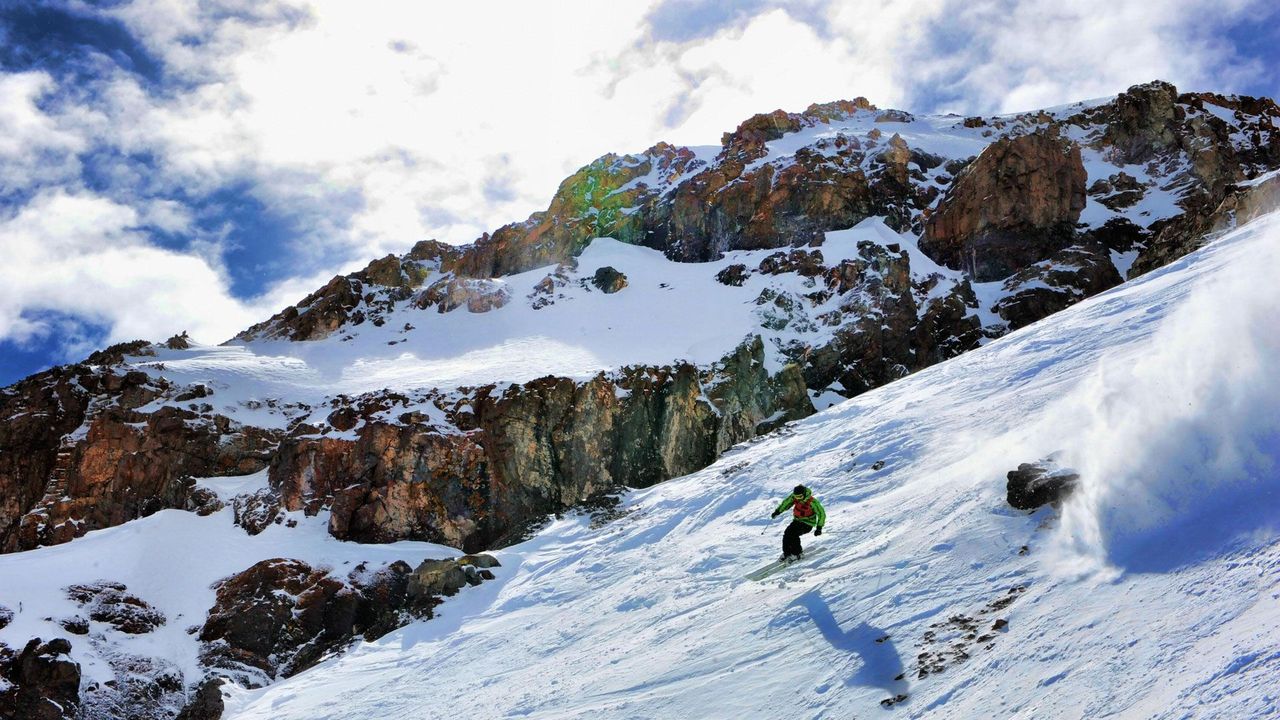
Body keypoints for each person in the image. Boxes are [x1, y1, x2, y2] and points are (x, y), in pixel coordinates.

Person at [771, 484, 825, 561]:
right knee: (787, 533)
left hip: (808, 523)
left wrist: (819, 528)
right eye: (796, 497)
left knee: (793, 534)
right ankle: (787, 553)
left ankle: (797, 553)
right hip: (797, 521)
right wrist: (778, 511)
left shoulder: (812, 502)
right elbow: (786, 503)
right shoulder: (795, 497)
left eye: (800, 497)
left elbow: (821, 514)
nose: (798, 499)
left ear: (804, 494)